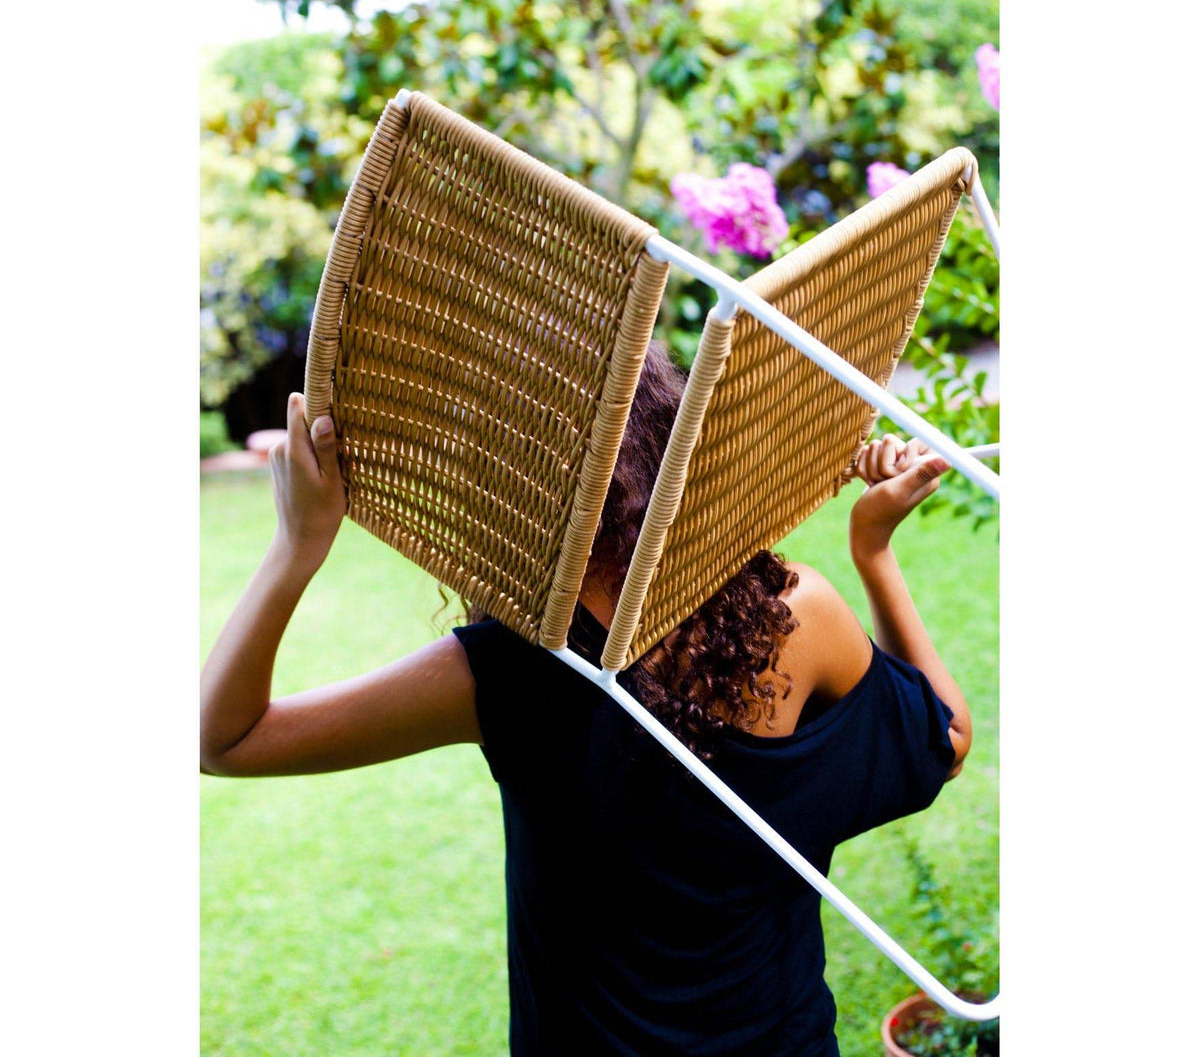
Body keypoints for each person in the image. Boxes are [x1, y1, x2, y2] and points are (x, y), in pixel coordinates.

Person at [200, 342, 971, 1056]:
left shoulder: (503, 671)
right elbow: (945, 739)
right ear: (671, 442)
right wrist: (873, 549)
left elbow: (223, 741)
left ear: (504, 494)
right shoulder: (795, 612)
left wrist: (297, 546)